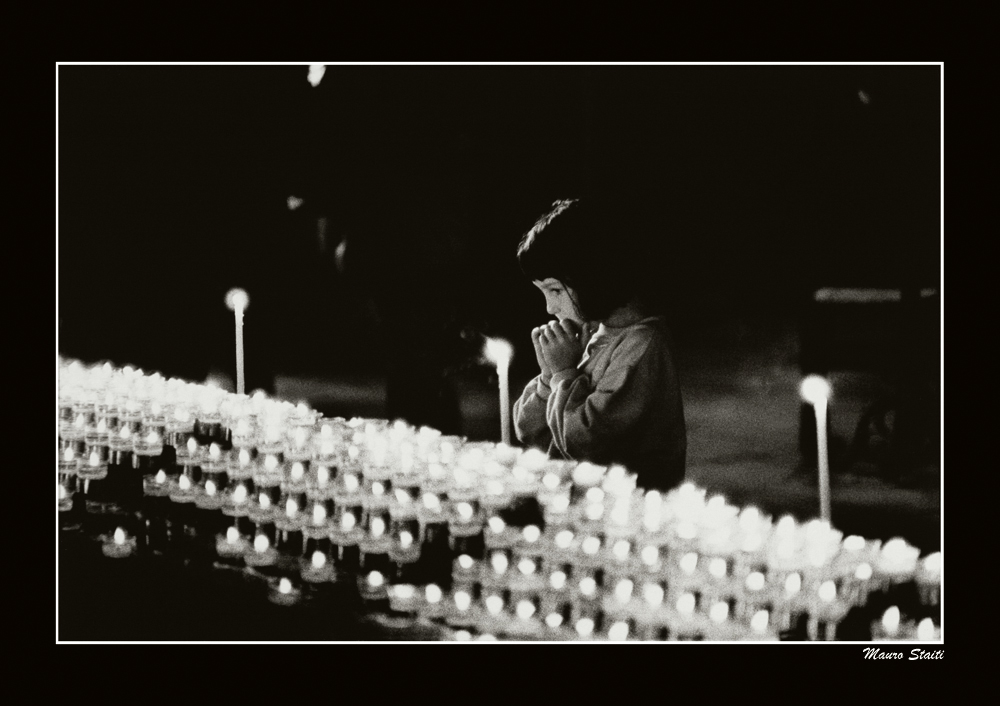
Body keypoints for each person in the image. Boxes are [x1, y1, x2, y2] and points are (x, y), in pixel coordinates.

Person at [512, 198, 687, 492]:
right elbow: (530, 432)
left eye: (555, 290)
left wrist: (564, 373)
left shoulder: (642, 349)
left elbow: (586, 445)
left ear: (593, 275)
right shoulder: (592, 331)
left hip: (629, 512)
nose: (549, 308)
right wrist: (548, 378)